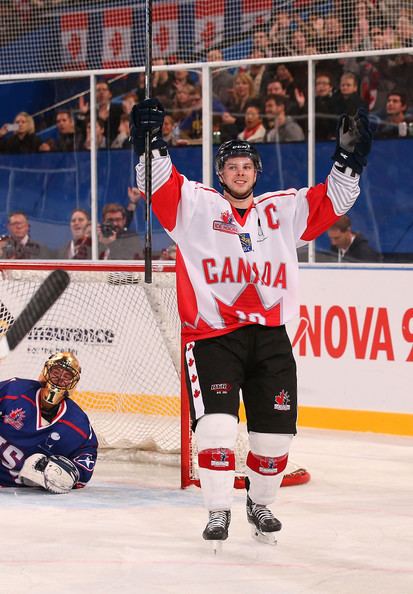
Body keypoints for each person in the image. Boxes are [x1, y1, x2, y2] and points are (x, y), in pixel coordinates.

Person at [130, 99, 372, 544]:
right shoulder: (195, 208)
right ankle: (218, 510)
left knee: (274, 437)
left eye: (246, 166)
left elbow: (334, 200)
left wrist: (349, 159)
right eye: (232, 166)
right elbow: (156, 184)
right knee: (217, 428)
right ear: (221, 174)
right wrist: (150, 142)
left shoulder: (282, 211)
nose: (239, 172)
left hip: (271, 340)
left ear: (256, 172)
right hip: (213, 339)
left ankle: (259, 505)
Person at [0, 351, 97, 492]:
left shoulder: (77, 424)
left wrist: (73, 473)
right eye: (55, 372)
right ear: (45, 371)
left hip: (25, 497)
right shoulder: (14, 390)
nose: (59, 379)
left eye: (66, 376)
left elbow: (86, 458)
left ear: (73, 383)